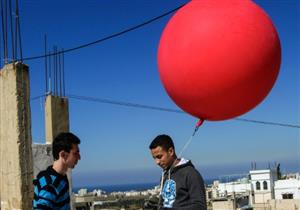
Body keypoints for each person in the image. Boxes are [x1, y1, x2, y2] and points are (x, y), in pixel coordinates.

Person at [148, 134, 207, 210]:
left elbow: (200, 207)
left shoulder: (190, 173)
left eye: (159, 157)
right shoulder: (165, 175)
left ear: (171, 151)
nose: (157, 162)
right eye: (154, 158)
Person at [33, 132, 81, 210]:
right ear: (63, 155)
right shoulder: (50, 185)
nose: (79, 157)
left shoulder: (61, 177)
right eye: (75, 153)